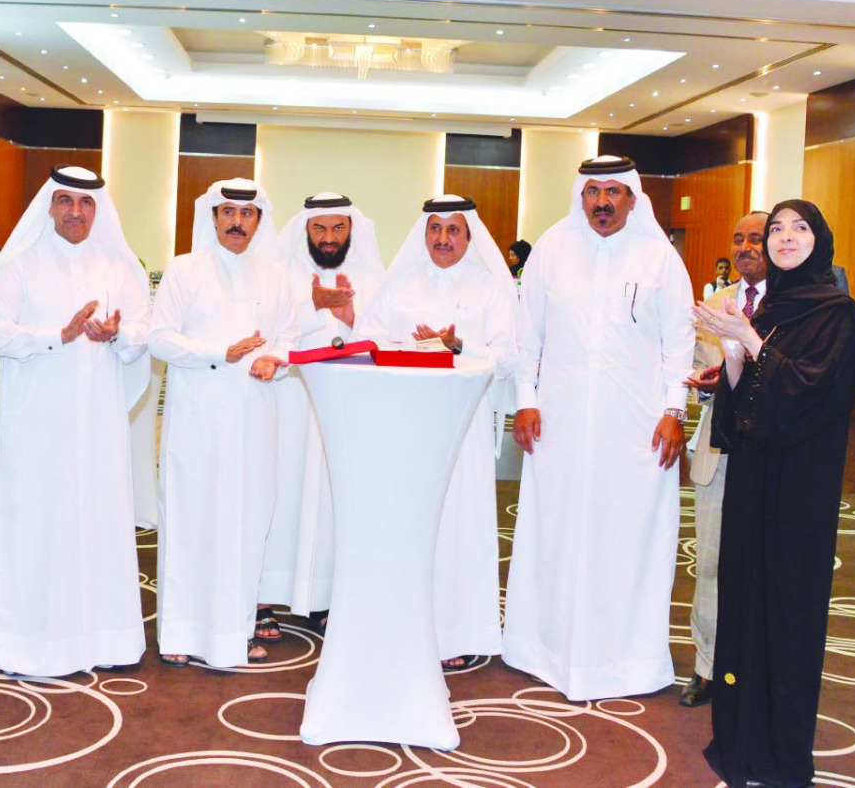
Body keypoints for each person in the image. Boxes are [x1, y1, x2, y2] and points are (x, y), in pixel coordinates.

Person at [505, 155, 694, 700]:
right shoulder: (551, 251)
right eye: (593, 192)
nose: (603, 202)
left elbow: (678, 342)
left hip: (637, 428)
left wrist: (674, 411)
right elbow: (528, 336)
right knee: (555, 526)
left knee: (628, 534)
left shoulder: (660, 259)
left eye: (614, 192)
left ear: (633, 199)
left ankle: (625, 660)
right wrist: (525, 399)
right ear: (580, 196)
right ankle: (543, 648)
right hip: (558, 422)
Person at [695, 200, 855, 788]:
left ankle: (780, 754)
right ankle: (740, 739)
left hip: (799, 489)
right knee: (745, 597)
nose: (784, 238)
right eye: (776, 230)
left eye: (798, 229)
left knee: (786, 611)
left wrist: (747, 336)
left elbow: (807, 393)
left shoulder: (837, 311)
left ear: (819, 239)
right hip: (753, 476)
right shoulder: (772, 306)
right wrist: (736, 357)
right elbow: (748, 402)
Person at [0, 166, 152, 677]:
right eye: (66, 201)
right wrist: (58, 334)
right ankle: (35, 644)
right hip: (36, 426)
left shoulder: (119, 269)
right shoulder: (19, 266)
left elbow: (145, 331)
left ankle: (106, 639)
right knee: (38, 520)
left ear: (99, 209)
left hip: (98, 424)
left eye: (86, 203)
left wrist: (118, 334)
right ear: (50, 206)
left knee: (99, 517)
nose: (76, 211)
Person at [355, 195, 517, 671]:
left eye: (454, 230)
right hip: (405, 426)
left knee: (459, 527)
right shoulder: (398, 284)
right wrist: (412, 346)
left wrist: (457, 346)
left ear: (469, 236)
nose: (443, 239)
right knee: (404, 524)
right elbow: (369, 340)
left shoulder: (490, 289)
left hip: (461, 429)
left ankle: (457, 632)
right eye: (435, 229)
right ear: (424, 233)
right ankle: (400, 625)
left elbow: (508, 356)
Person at [150, 178, 296, 668]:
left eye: (247, 214)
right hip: (197, 419)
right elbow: (159, 339)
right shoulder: (184, 269)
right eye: (228, 212)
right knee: (192, 518)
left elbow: (289, 337)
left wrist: (274, 358)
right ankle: (181, 631)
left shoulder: (276, 275)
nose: (237, 222)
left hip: (255, 417)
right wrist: (220, 352)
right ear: (212, 217)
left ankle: (233, 633)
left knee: (247, 519)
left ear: (259, 220)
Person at [255, 192, 385, 641]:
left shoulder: (374, 276)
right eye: (319, 229)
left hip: (345, 408)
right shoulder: (280, 274)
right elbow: (272, 334)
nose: (328, 239)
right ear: (305, 231)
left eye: (338, 228)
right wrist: (314, 307)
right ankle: (263, 599)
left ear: (351, 231)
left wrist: (350, 317)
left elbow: (386, 340)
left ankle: (324, 598)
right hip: (290, 402)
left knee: (333, 499)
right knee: (282, 493)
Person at [679, 210, 768, 708]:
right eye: (738, 239)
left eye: (757, 238)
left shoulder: (794, 305)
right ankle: (707, 666)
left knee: (764, 562)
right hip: (718, 449)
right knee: (710, 562)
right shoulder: (713, 303)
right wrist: (705, 380)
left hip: (773, 455)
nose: (746, 247)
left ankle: (758, 665)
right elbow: (695, 369)